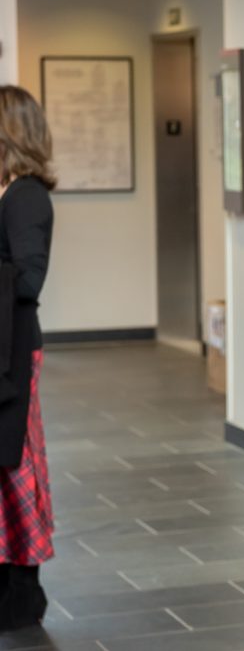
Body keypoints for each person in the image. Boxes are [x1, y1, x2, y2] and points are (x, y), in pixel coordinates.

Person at [0, 85, 56, 631]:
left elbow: (28, 277)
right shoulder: (10, 191)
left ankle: (22, 591)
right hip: (5, 346)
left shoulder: (27, 196)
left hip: (13, 352)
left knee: (17, 464)